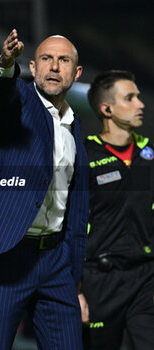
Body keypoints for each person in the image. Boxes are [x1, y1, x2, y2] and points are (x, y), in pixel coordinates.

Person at [0, 29, 89, 350]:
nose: (54, 67)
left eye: (63, 60)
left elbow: (76, 206)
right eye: (46, 59)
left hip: (56, 264)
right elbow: (3, 91)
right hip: (8, 258)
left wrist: (74, 275)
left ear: (76, 73)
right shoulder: (20, 102)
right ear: (34, 68)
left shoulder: (74, 123)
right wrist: (6, 64)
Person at [79, 70, 154, 350]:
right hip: (99, 281)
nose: (140, 104)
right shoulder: (83, 156)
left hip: (146, 278)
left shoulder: (149, 154)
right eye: (130, 98)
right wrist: (75, 291)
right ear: (106, 108)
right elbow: (70, 227)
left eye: (139, 97)